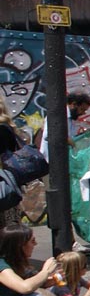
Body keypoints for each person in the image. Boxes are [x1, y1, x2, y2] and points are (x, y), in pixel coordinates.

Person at [41, 90, 90, 160]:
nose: (83, 113)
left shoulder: (70, 118)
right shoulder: (59, 114)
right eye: (82, 109)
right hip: (51, 161)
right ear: (74, 104)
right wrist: (70, 142)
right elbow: (49, 134)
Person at [0, 97, 24, 227]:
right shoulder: (6, 126)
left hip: (4, 182)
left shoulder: (2, 128)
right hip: (8, 180)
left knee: (8, 225)